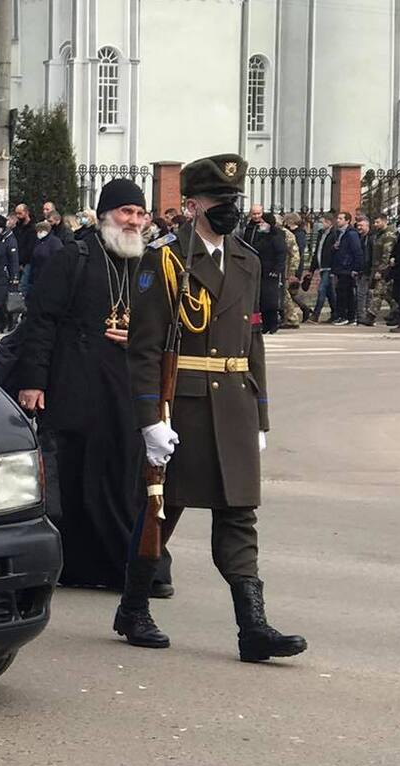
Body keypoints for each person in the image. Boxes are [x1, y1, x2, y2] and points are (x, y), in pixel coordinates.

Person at [119, 154, 305, 662]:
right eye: (219, 201)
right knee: (163, 509)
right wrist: (150, 420)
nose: (229, 209)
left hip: (234, 404)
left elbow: (253, 340)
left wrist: (261, 413)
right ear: (194, 204)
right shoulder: (166, 259)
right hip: (184, 405)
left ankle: (253, 628)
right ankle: (134, 608)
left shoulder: (247, 259)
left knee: (240, 515)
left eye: (234, 201)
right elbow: (144, 349)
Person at [9, 178, 167, 595]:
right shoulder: (72, 258)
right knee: (80, 476)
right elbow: (40, 322)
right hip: (76, 382)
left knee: (123, 473)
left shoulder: (148, 264)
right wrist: (33, 381)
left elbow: (169, 326)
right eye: (125, 213)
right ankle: (85, 565)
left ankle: (133, 565)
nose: (133, 221)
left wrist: (138, 336)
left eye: (139, 213)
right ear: (103, 216)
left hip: (129, 386)